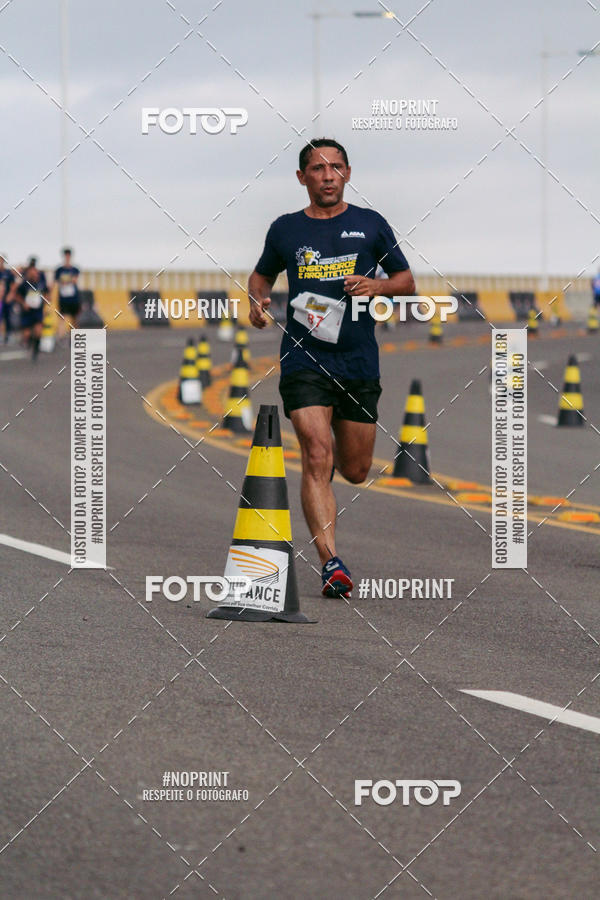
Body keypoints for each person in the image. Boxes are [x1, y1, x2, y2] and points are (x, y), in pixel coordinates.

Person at [248, 138, 415, 599]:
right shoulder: (285, 230)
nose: (327, 176)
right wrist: (257, 300)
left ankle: (333, 483)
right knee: (317, 454)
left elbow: (406, 282)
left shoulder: (370, 225)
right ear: (302, 178)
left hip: (358, 360)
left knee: (357, 469)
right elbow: (262, 274)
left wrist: (376, 286)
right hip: (304, 357)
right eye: (318, 169)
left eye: (336, 167)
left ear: (347, 174)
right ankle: (331, 562)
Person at [14, 257, 48, 359]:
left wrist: (45, 303)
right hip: (27, 312)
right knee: (26, 334)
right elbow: (17, 295)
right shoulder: (25, 284)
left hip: (37, 310)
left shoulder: (41, 283)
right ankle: (29, 341)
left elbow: (47, 293)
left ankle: (36, 350)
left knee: (38, 330)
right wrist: (23, 303)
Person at [53, 247, 80, 338]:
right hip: (63, 298)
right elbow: (56, 282)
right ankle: (61, 336)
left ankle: (76, 336)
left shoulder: (75, 269)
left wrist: (65, 280)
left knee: (75, 319)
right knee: (61, 318)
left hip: (73, 297)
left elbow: (74, 280)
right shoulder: (59, 270)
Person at [0, 254, 16, 344]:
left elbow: (13, 286)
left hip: (6, 299)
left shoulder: (8, 273)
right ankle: (1, 336)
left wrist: (10, 295)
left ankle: (8, 335)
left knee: (8, 317)